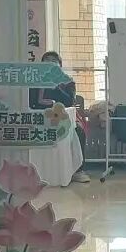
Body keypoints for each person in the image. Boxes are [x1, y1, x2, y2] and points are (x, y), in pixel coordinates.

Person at [30, 51, 89, 183]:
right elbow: (30, 101)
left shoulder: (68, 82)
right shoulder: (34, 81)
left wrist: (55, 85)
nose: (50, 64)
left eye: (53, 61)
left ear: (60, 66)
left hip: (63, 119)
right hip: (40, 119)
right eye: (47, 61)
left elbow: (69, 101)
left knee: (79, 132)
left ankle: (78, 170)